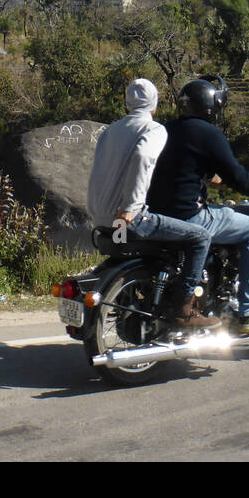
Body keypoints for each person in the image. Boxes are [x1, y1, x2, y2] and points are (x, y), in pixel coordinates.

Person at [147, 76, 249, 334]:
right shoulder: (209, 134)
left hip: (158, 214)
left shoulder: (166, 129)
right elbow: (239, 179)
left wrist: (206, 175)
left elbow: (179, 167)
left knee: (227, 215)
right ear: (212, 106)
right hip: (188, 216)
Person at [86, 77, 219, 330]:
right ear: (154, 105)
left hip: (103, 220)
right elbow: (143, 156)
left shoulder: (109, 131)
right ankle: (185, 309)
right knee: (200, 237)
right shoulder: (154, 130)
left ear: (127, 103)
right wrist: (131, 206)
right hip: (130, 218)